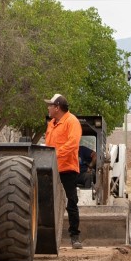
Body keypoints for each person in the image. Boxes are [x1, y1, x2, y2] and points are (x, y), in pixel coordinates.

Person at [44, 93, 84, 248]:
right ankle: (49, 236)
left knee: (71, 201)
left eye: (50, 105)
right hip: (51, 167)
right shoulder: (51, 123)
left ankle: (75, 236)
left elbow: (73, 144)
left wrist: (54, 154)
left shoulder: (72, 121)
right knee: (47, 201)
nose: (48, 108)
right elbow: (49, 144)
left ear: (57, 107)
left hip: (67, 169)